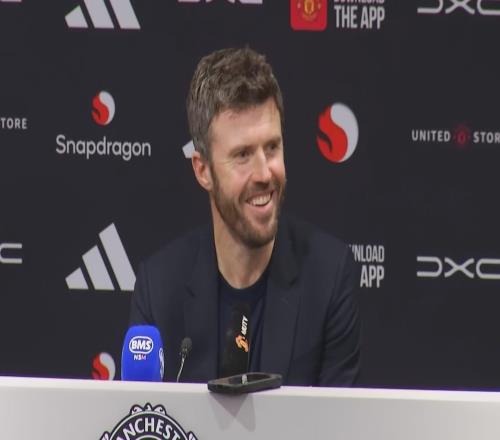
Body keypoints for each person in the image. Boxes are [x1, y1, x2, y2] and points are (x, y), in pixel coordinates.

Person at [130, 47, 360, 386]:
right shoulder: (159, 288)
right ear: (203, 170)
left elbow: (339, 418)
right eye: (242, 155)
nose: (264, 173)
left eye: (272, 147)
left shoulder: (328, 277)